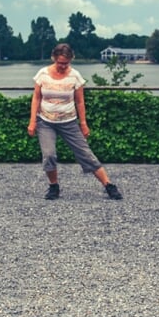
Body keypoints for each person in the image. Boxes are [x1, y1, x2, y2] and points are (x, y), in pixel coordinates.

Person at [27, 43, 123, 201]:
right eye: (60, 63)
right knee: (49, 155)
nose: (63, 66)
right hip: (45, 121)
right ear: (54, 58)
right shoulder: (42, 74)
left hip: (69, 121)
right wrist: (32, 121)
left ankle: (109, 185)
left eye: (66, 63)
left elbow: (80, 102)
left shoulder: (75, 76)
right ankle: (54, 186)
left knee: (85, 154)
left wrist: (83, 123)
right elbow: (36, 97)